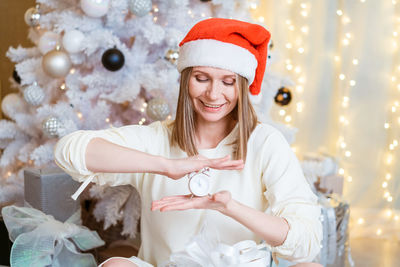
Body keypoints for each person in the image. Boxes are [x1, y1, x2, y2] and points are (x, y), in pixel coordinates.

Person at [54, 18, 322, 267]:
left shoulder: (265, 142)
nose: (213, 94)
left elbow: (306, 242)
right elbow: (69, 151)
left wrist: (230, 207)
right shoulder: (158, 138)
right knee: (116, 265)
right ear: (186, 81)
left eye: (227, 82)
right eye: (201, 78)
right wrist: (165, 165)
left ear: (240, 87)